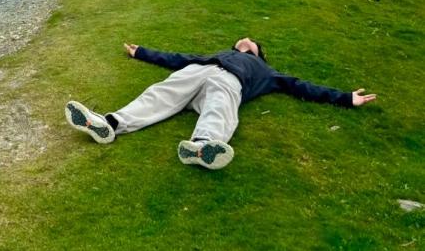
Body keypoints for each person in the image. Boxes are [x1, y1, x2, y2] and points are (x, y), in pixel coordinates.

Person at [65, 37, 376, 170]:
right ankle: (110, 123)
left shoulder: (266, 72)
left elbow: (301, 86)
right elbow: (177, 59)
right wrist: (142, 52)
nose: (245, 39)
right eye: (241, 39)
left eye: (250, 41)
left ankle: (202, 146)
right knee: (159, 94)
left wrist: (346, 98)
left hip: (229, 82)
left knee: (220, 106)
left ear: (258, 53)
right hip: (197, 74)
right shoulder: (213, 56)